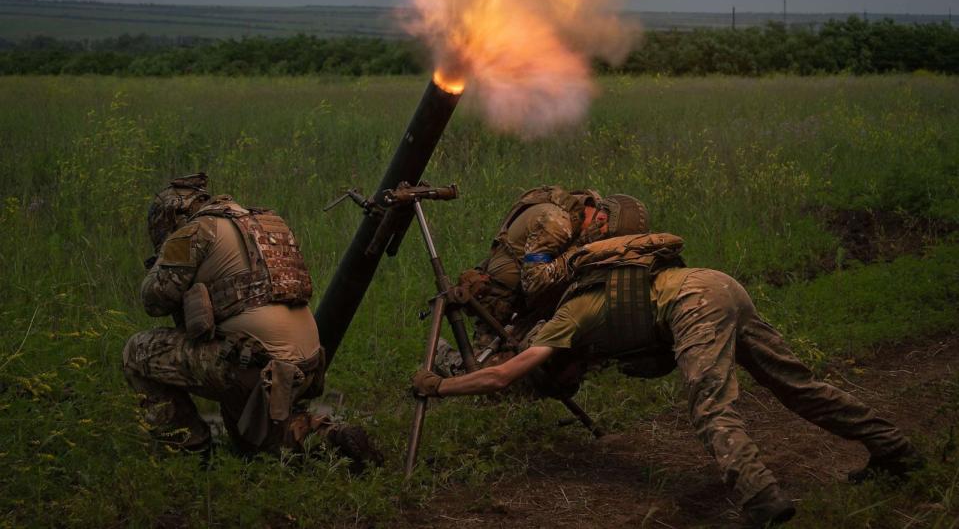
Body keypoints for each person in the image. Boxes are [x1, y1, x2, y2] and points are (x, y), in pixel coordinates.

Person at [413, 197, 922, 526]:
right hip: (720, 285)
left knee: (711, 406)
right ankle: (894, 448)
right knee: (796, 385)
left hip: (694, 306)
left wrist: (438, 386)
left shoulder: (570, 314)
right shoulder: (621, 277)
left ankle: (761, 498)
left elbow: (505, 374)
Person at [123, 173, 380, 468]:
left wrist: (161, 261)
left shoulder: (194, 231)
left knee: (137, 352)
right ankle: (329, 437)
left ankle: (188, 452)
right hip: (305, 364)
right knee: (253, 445)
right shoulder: (266, 222)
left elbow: (153, 300)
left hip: (253, 365)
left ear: (172, 217)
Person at [438, 186, 607, 371]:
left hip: (520, 295)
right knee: (479, 372)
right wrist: (579, 251)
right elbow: (534, 281)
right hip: (501, 297)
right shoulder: (557, 222)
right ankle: (442, 356)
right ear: (599, 218)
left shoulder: (574, 213)